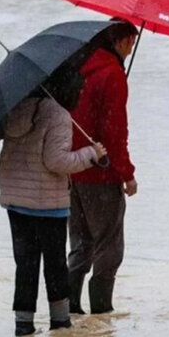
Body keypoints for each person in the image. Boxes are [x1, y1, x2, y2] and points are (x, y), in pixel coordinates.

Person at [0, 70, 107, 337]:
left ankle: (23, 324)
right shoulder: (58, 115)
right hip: (47, 202)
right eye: (78, 91)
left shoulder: (18, 108)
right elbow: (55, 162)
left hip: (16, 200)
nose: (80, 97)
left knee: (25, 263)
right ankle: (59, 323)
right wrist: (91, 154)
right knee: (55, 262)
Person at [68, 20, 139, 315]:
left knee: (81, 243)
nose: (132, 48)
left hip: (73, 170)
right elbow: (114, 133)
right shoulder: (112, 76)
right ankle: (101, 312)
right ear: (121, 42)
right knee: (109, 247)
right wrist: (127, 174)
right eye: (131, 43)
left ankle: (68, 309)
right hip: (101, 174)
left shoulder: (80, 67)